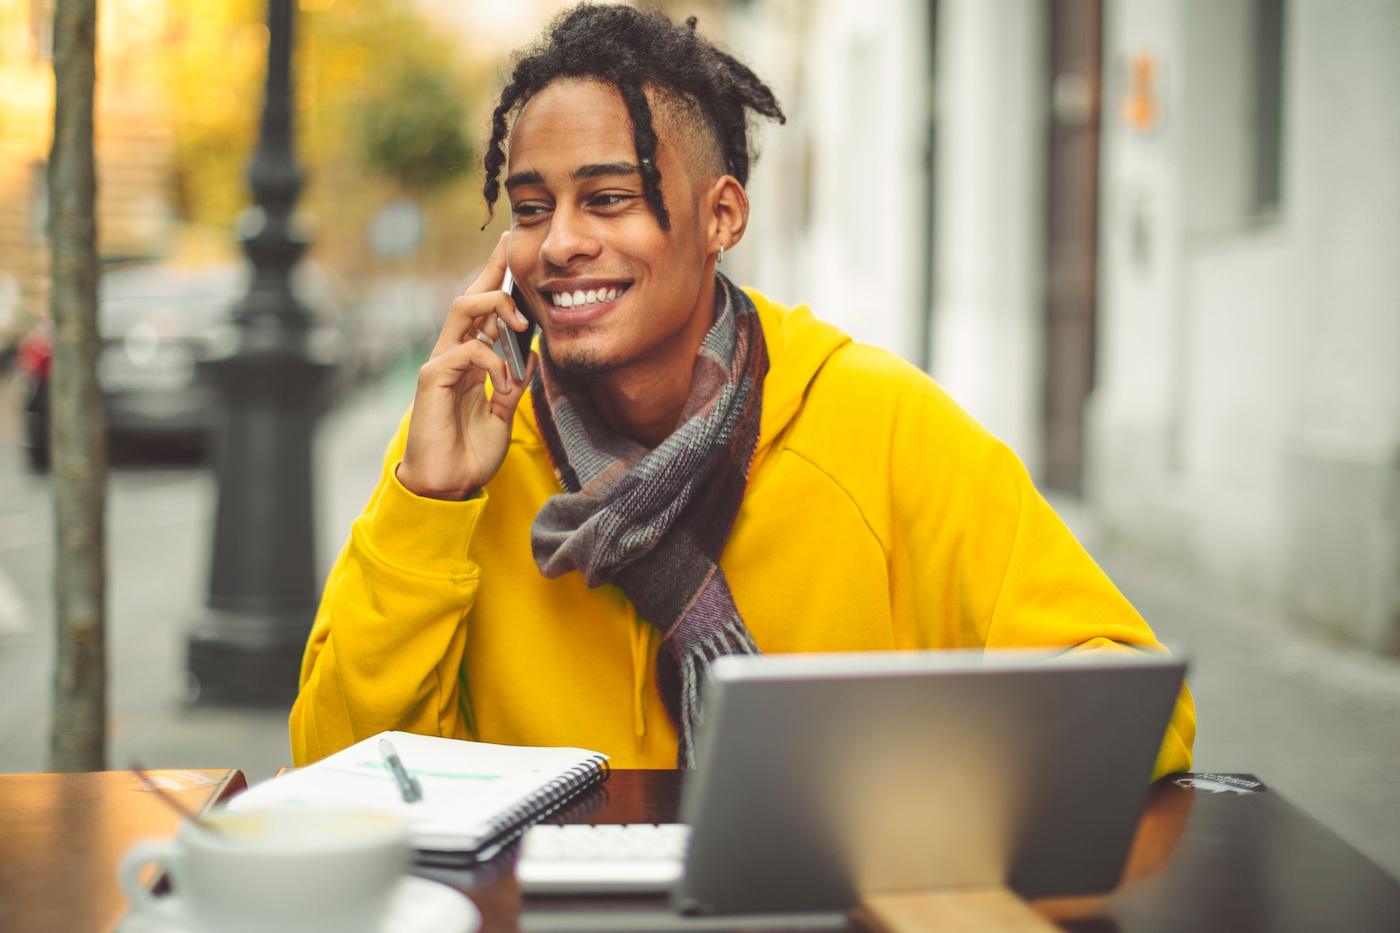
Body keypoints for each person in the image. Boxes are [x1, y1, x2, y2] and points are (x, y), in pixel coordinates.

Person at [289, 3, 1194, 775]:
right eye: (530, 209)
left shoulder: (879, 423)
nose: (557, 243)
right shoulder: (468, 454)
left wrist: (889, 790)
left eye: (608, 198)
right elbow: (337, 771)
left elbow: (1134, 709)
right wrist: (426, 502)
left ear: (722, 215)